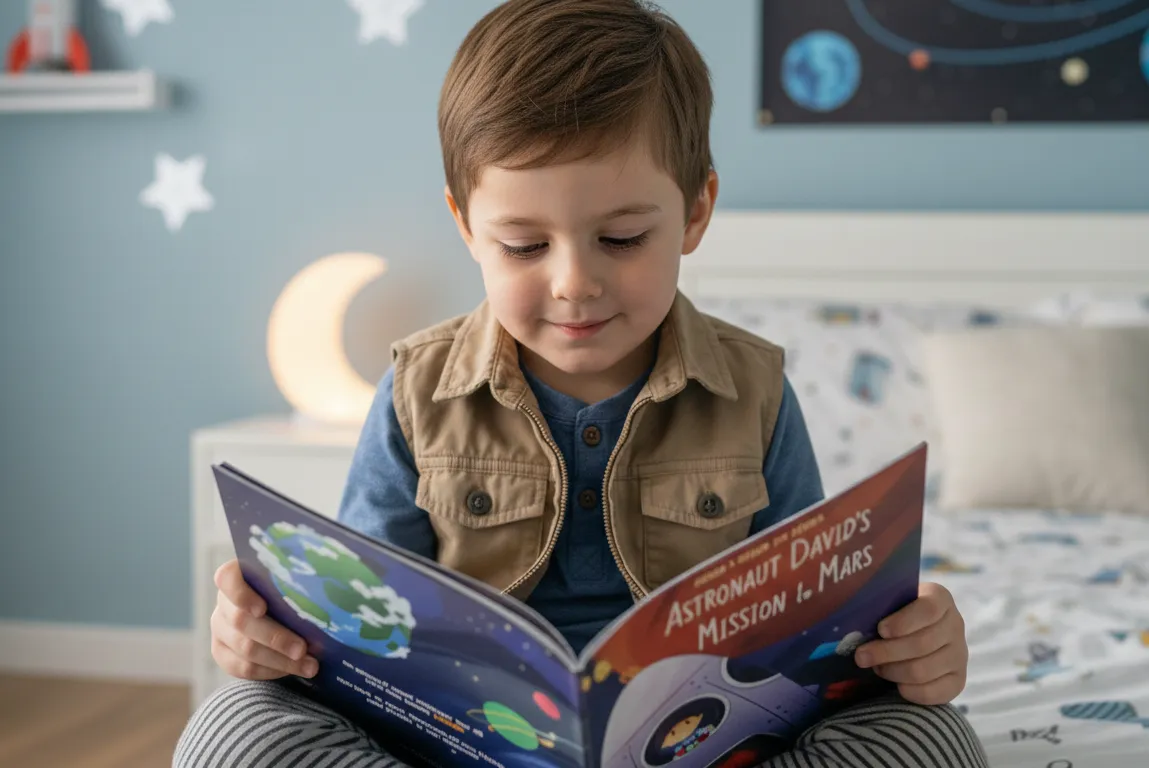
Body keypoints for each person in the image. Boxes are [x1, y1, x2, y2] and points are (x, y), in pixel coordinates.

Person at [175, 2, 987, 766]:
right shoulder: (416, 392)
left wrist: (910, 650)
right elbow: (358, 629)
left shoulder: (756, 392)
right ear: (466, 227)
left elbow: (814, 628)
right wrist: (267, 641)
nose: (574, 283)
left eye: (621, 238)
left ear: (695, 212)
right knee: (235, 725)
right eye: (524, 247)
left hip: (699, 743)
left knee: (930, 733)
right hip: (460, 745)